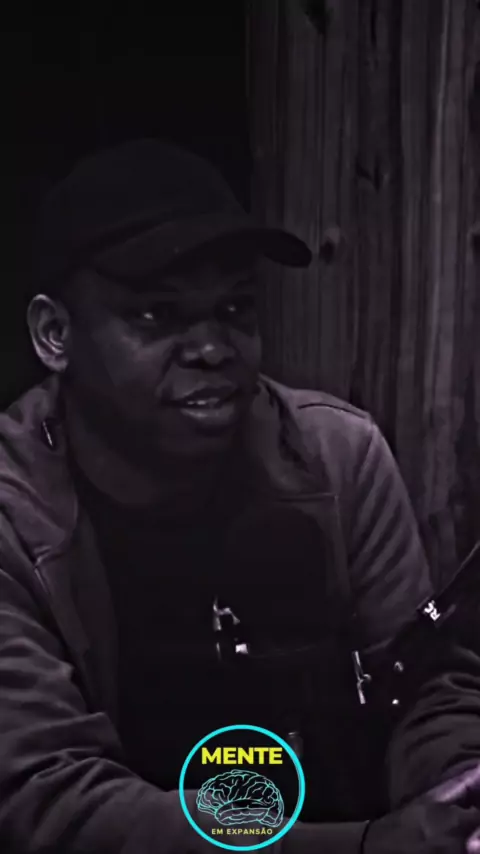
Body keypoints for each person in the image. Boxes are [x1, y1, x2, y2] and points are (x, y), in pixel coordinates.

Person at [1, 139, 480, 854]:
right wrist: (359, 847)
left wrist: (458, 788)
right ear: (54, 334)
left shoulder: (337, 457)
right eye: (157, 316)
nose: (212, 348)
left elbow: (423, 689)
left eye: (234, 308)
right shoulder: (14, 513)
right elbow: (48, 797)